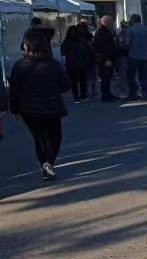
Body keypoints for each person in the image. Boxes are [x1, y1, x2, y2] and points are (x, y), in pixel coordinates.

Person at [9, 29, 70, 179]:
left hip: (29, 110)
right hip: (52, 107)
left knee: (39, 138)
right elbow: (65, 86)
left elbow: (14, 91)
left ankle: (44, 164)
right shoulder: (54, 64)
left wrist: (14, 110)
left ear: (27, 46)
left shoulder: (20, 66)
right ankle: (49, 162)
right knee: (54, 137)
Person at [125, 14, 147, 100]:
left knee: (131, 75)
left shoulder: (131, 29)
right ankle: (145, 94)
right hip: (144, 55)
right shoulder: (146, 29)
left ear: (132, 20)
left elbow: (128, 43)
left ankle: (133, 94)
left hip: (133, 55)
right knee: (144, 76)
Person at [94, 15, 119, 102]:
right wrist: (108, 58)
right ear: (107, 23)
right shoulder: (103, 33)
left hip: (105, 58)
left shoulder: (103, 32)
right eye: (111, 22)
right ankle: (105, 95)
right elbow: (105, 48)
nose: (113, 23)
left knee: (107, 77)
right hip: (105, 59)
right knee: (105, 77)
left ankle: (107, 93)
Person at [61, 26, 89, 103]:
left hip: (71, 64)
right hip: (81, 64)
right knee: (82, 81)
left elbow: (62, 52)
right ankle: (83, 95)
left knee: (74, 82)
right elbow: (87, 50)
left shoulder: (66, 41)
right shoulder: (81, 41)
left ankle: (76, 97)